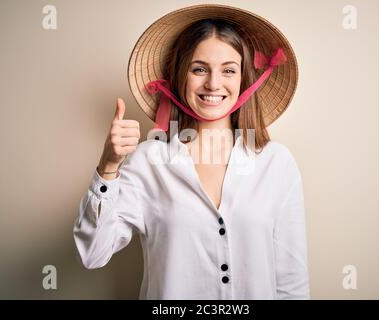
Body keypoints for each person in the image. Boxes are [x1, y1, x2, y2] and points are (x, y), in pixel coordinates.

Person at [73, 4, 309, 299]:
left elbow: (291, 283)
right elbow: (93, 253)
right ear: (180, 76)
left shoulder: (277, 163)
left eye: (228, 70)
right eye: (199, 69)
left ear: (244, 80)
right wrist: (108, 167)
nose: (213, 83)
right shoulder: (149, 161)